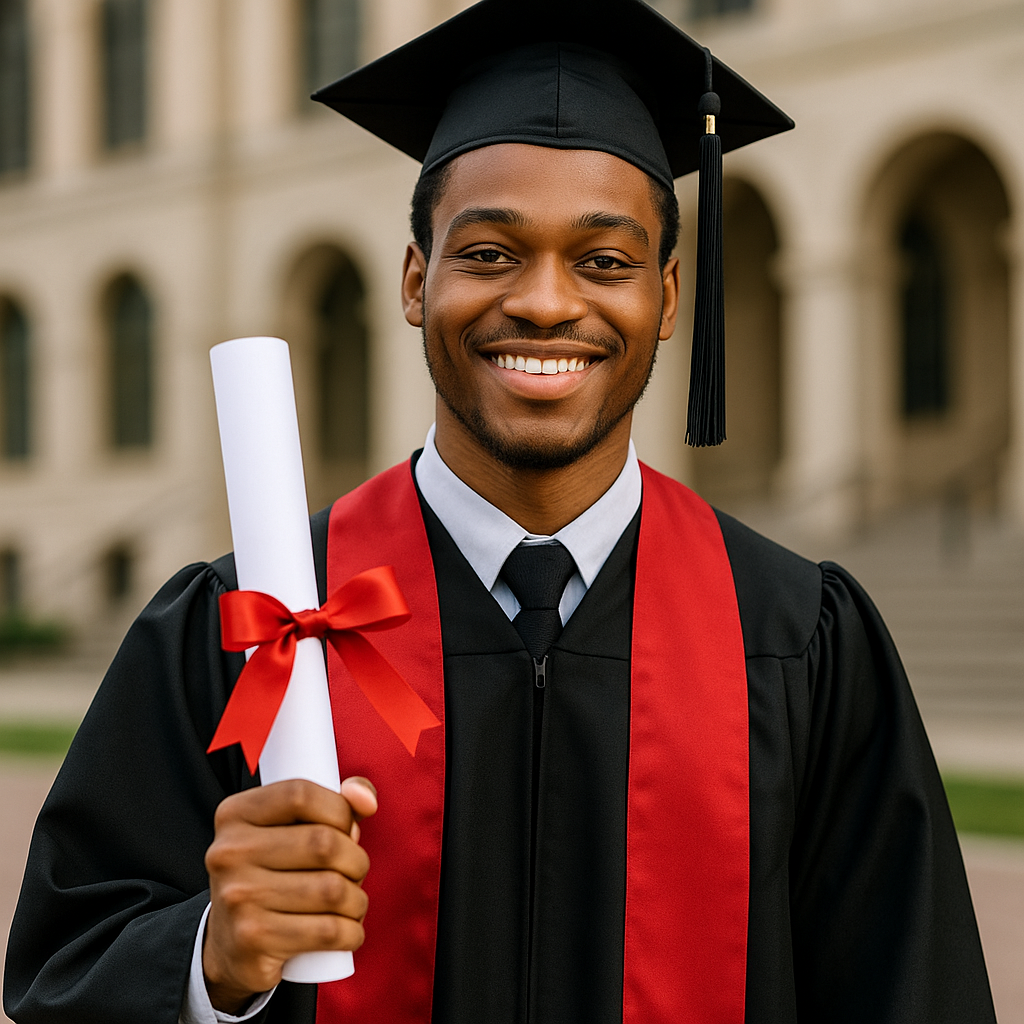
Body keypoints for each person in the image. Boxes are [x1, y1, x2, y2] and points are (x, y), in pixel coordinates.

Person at [4, 1, 996, 1022]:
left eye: (604, 261)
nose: (545, 302)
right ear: (414, 282)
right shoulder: (249, 622)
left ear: (667, 297)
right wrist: (209, 960)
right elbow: (67, 970)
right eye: (488, 253)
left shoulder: (793, 638)